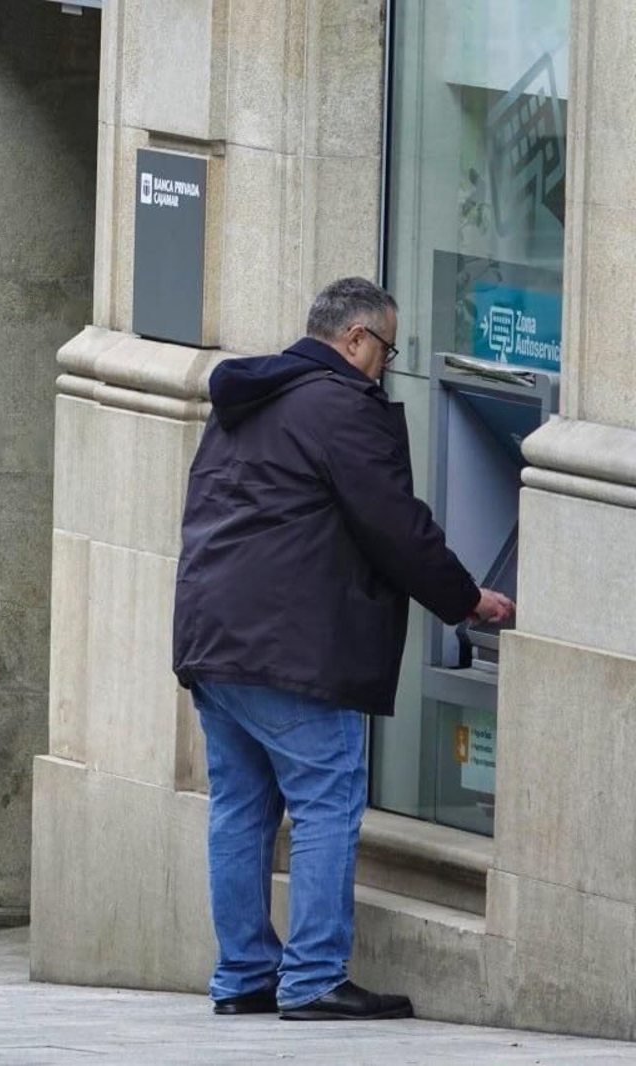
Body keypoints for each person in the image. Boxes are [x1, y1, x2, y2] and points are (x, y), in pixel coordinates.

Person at [172, 278, 515, 1021]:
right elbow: (395, 523)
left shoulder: (245, 401)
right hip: (290, 647)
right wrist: (465, 600)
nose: (386, 368)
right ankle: (314, 978)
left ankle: (243, 976)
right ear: (356, 338)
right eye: (386, 351)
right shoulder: (339, 408)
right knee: (328, 800)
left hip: (213, 636)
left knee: (239, 806)